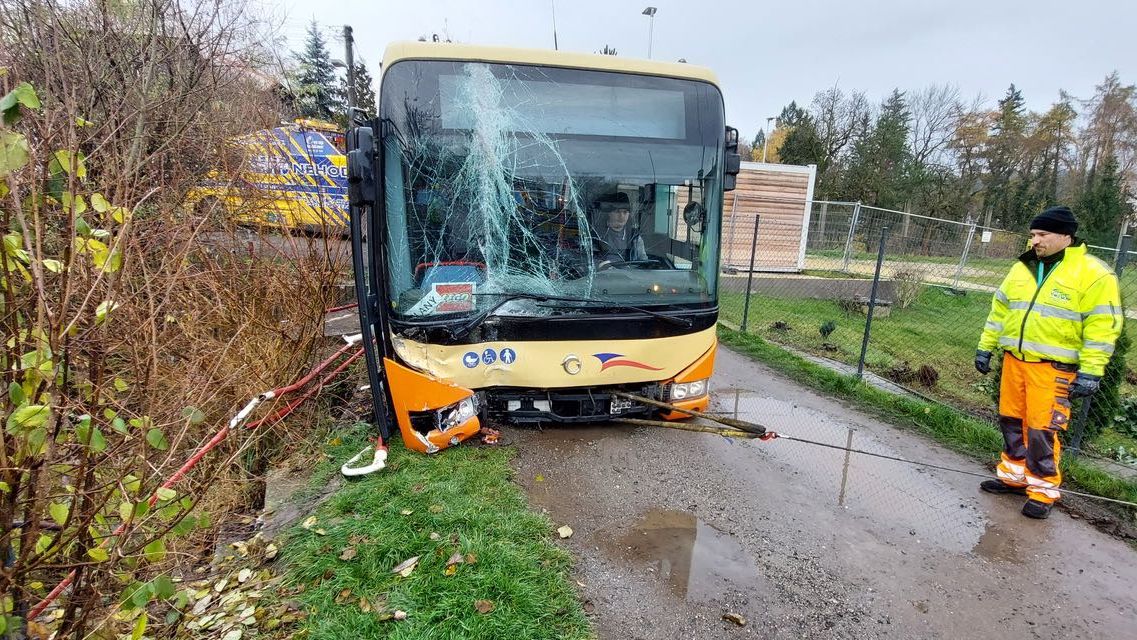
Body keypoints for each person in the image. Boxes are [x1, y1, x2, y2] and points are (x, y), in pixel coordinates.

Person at [975, 206, 1123, 519]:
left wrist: (1091, 371)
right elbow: (999, 311)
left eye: (1042, 234)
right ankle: (1014, 476)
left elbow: (1102, 328)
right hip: (1015, 361)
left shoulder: (1094, 274)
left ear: (1066, 236)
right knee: (1011, 422)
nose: (1035, 241)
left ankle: (1042, 490)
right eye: (1032, 235)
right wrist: (985, 347)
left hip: (1053, 369)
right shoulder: (1023, 268)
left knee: (1042, 431)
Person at [594, 192, 648, 265]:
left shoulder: (634, 237)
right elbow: (590, 260)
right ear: (609, 213)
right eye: (617, 211)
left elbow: (643, 262)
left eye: (625, 212)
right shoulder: (596, 235)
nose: (622, 216)